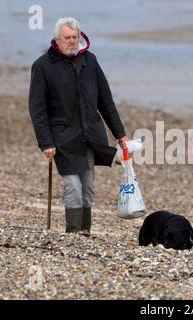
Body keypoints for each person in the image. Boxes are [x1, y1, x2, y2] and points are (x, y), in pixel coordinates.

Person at [29, 17, 128, 236]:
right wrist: (46, 142)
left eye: (75, 37)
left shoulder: (90, 61)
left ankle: (84, 231)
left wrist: (120, 134)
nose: (72, 41)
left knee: (88, 185)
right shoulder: (43, 65)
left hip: (90, 136)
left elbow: (106, 100)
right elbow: (37, 109)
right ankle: (73, 232)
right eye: (67, 37)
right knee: (73, 186)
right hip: (62, 138)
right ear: (57, 39)